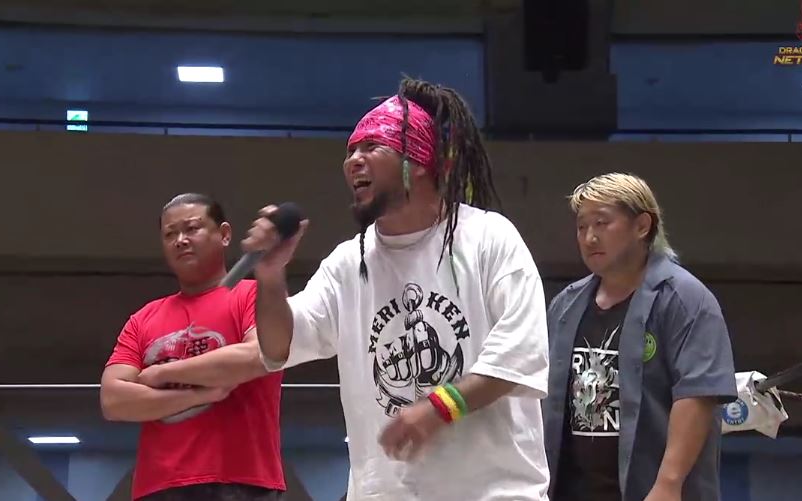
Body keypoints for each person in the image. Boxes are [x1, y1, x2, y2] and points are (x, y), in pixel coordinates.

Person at [241, 78, 551, 500]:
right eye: (350, 151)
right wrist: (271, 276)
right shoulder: (348, 262)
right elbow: (279, 346)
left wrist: (439, 408)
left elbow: (519, 354)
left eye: (371, 147)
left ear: (418, 161)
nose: (354, 161)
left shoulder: (487, 237)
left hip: (493, 491)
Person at [542, 173, 737, 501]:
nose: (590, 237)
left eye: (602, 223)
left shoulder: (686, 299)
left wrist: (668, 484)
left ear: (642, 226)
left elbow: (697, 395)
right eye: (581, 226)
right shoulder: (566, 305)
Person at [100, 193, 285, 501]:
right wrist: (200, 394)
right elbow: (113, 399)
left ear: (224, 234)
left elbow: (259, 356)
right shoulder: (143, 318)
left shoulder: (254, 295)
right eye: (170, 234)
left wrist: (161, 375)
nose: (180, 240)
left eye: (192, 228)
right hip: (158, 486)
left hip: (243, 482)